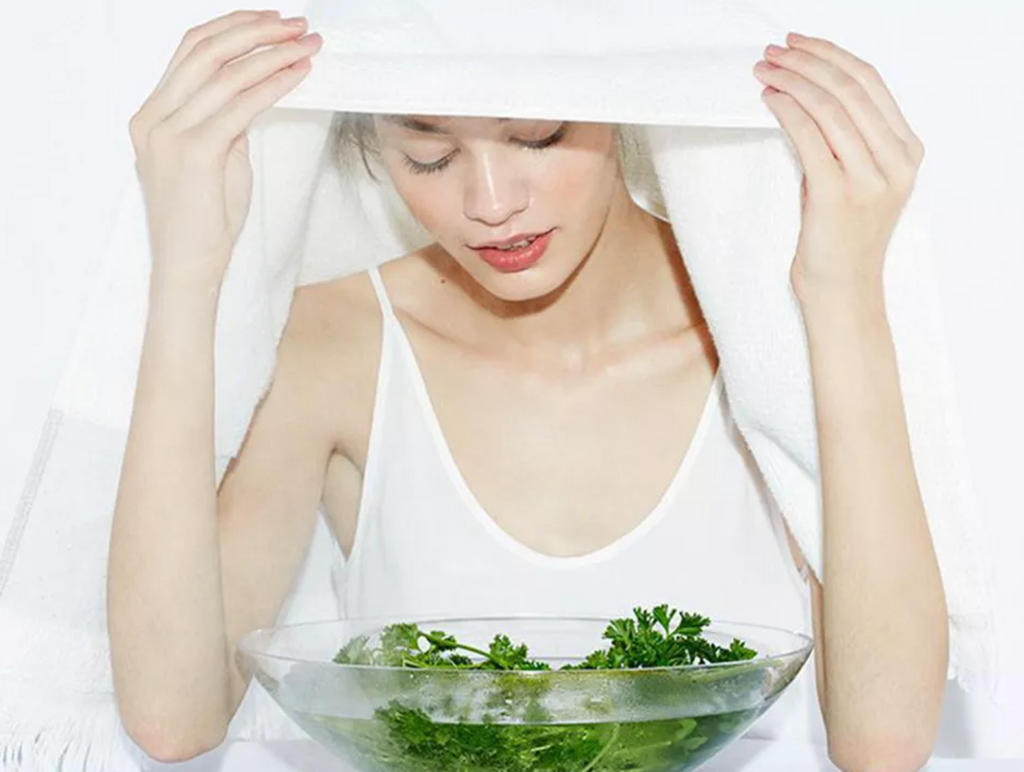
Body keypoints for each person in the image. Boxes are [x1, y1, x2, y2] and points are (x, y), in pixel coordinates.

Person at [107, 8, 949, 771]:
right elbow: (175, 719)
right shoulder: (335, 342)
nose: (491, 203)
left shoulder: (765, 339)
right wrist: (187, 271)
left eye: (539, 136)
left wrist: (842, 296)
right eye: (428, 154)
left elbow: (885, 740)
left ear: (626, 114)